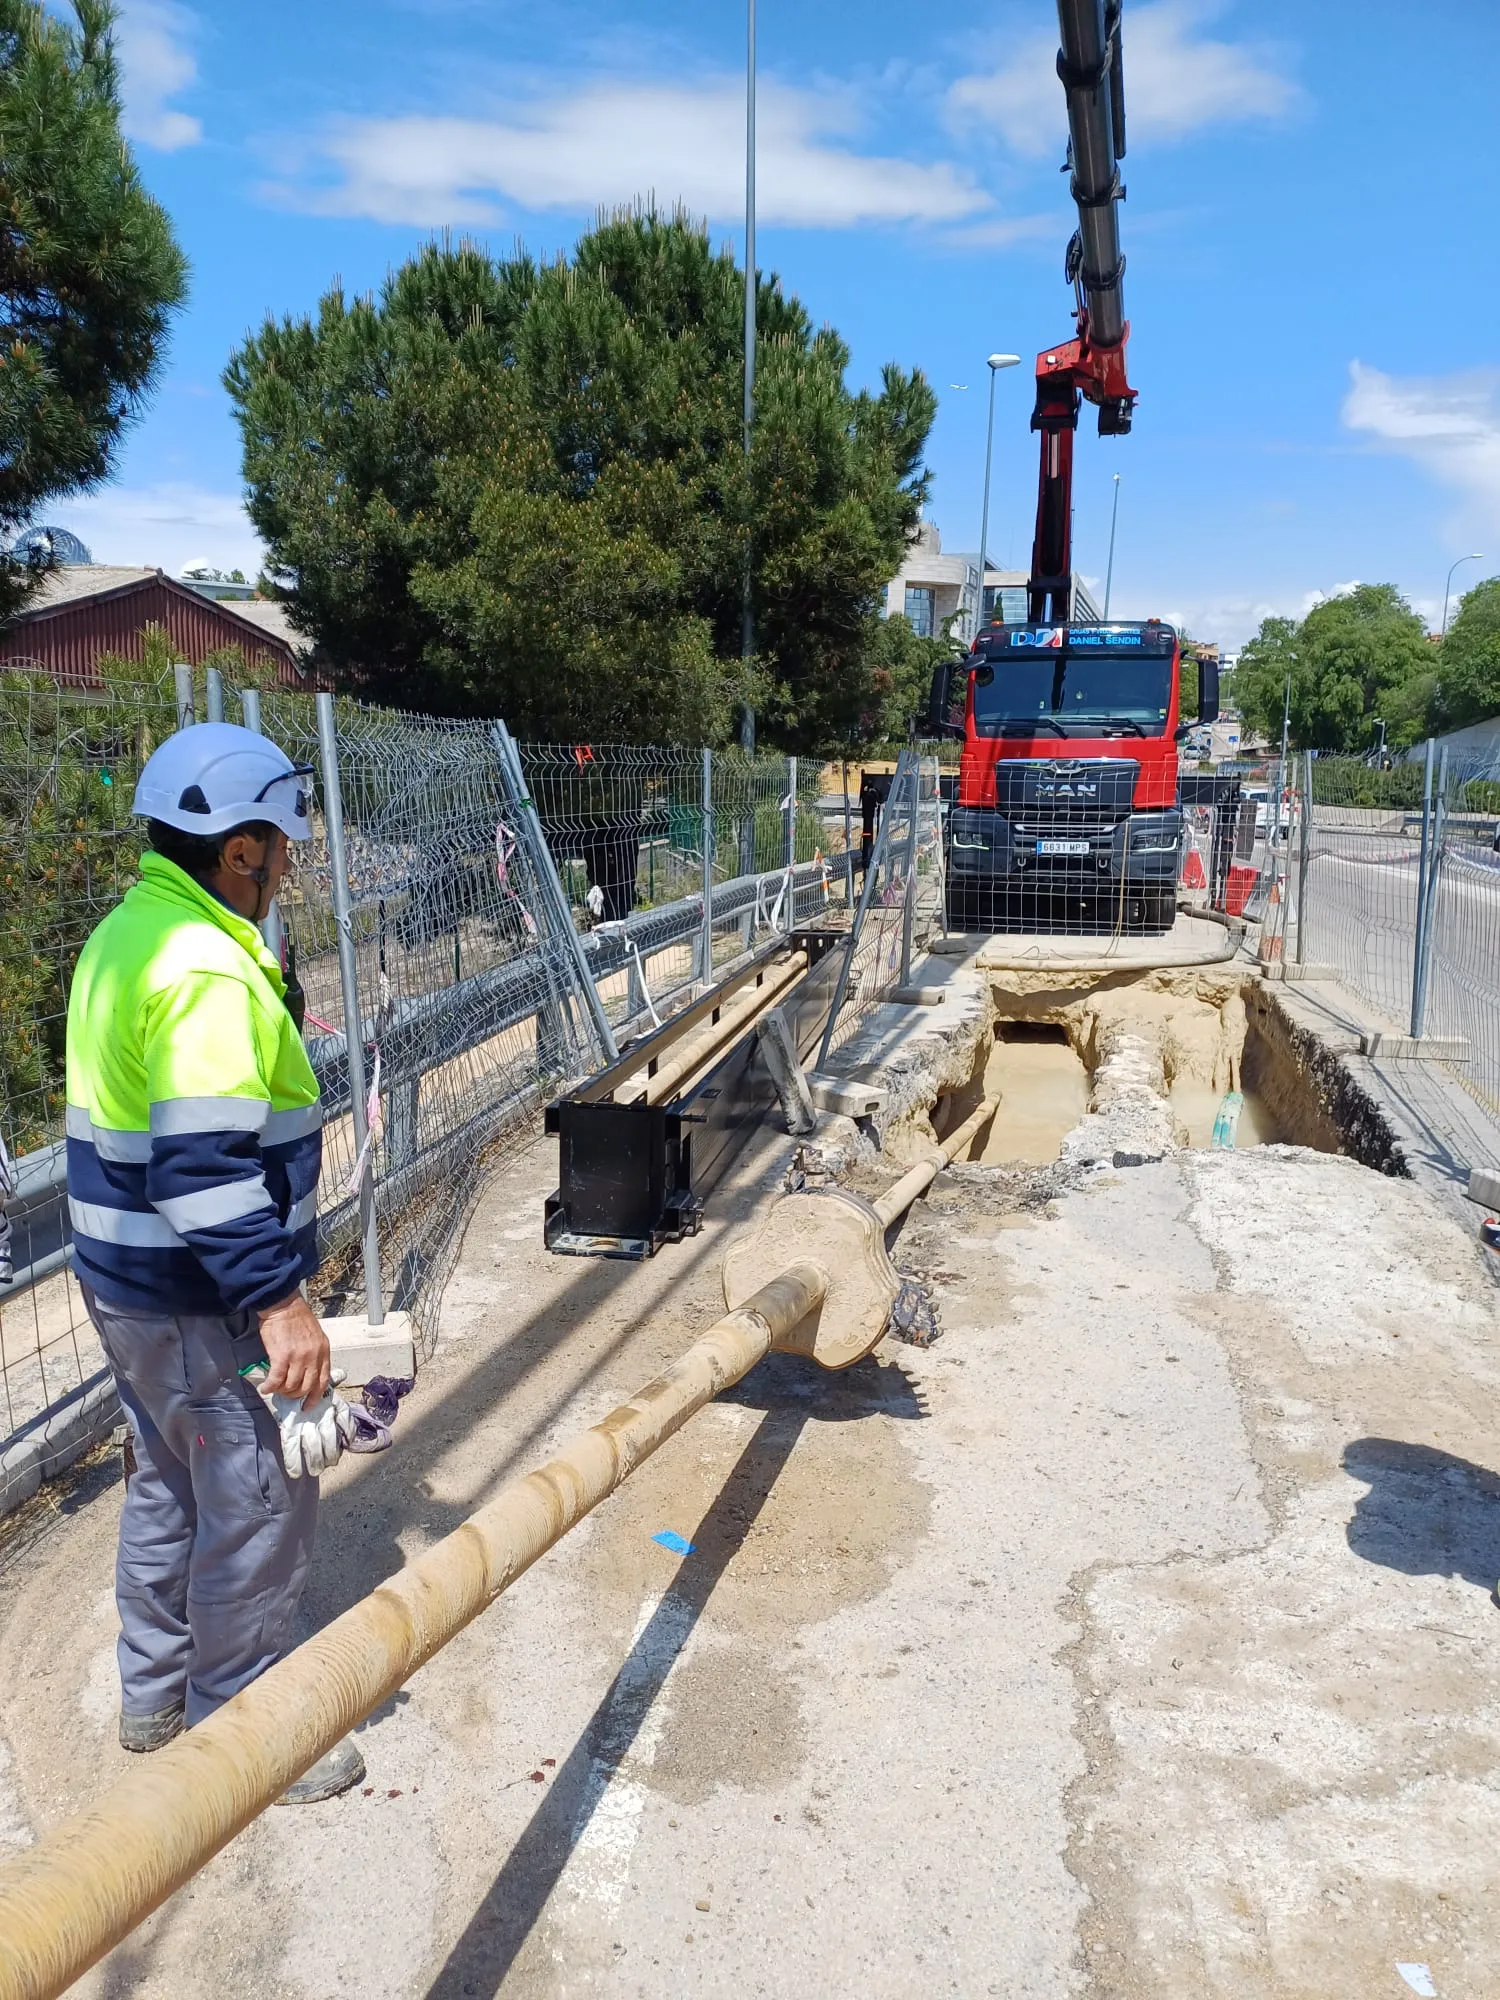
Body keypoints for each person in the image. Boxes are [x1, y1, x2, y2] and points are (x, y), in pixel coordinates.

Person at [65, 722, 364, 1803]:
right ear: (238, 851)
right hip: (204, 1298)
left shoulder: (130, 932)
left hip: (124, 1285)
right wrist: (280, 1303)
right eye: (280, 842)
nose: (290, 861)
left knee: (165, 1482)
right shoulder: (201, 968)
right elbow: (201, 1169)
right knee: (254, 1496)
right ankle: (239, 1731)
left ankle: (153, 1693)